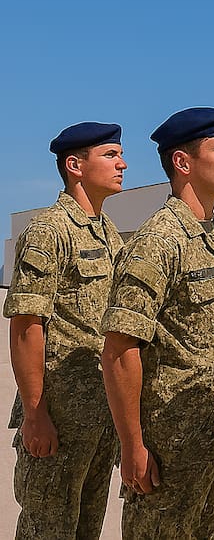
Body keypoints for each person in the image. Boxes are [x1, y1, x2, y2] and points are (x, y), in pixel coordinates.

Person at [100, 107, 214, 538]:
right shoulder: (158, 241)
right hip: (170, 449)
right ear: (183, 163)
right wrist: (132, 445)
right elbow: (119, 351)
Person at [4, 122, 126, 539]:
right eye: (110, 155)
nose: (122, 164)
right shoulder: (48, 232)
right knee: (47, 530)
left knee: (86, 530)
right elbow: (25, 326)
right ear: (75, 165)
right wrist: (36, 414)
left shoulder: (109, 234)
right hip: (58, 417)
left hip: (100, 417)